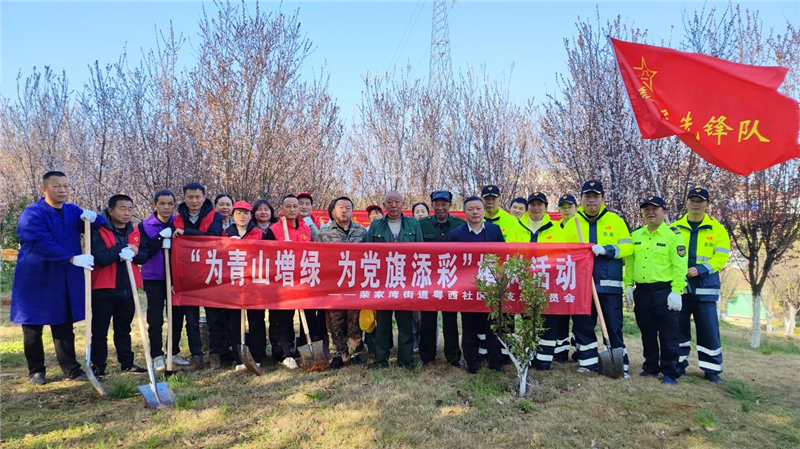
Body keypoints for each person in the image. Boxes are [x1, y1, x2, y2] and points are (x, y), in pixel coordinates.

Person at [11, 171, 103, 385]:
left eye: (65, 186)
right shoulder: (32, 214)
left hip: (63, 278)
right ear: (45, 189)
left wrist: (94, 217)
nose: (62, 190)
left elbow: (95, 225)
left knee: (63, 324)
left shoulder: (72, 211)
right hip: (36, 277)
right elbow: (40, 242)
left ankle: (71, 368)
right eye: (56, 186)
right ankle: (36, 370)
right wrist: (71, 258)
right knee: (33, 327)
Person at [562, 180, 633, 376]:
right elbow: (564, 253)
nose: (591, 200)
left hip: (609, 286)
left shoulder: (615, 221)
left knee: (613, 326)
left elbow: (628, 248)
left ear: (603, 198)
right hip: (583, 286)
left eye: (595, 196)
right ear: (582, 199)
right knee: (583, 325)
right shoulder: (572, 224)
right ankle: (588, 362)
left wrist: (607, 250)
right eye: (587, 196)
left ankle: (621, 364)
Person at [624, 196, 688, 385]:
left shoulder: (673, 235)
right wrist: (628, 284)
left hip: (665, 291)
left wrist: (677, 290)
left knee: (669, 333)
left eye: (655, 209)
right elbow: (630, 262)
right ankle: (650, 366)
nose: (650, 212)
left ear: (664, 212)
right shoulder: (636, 236)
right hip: (642, 291)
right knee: (647, 331)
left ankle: (670, 372)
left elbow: (680, 266)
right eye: (646, 209)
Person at [138, 189, 201, 372]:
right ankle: (157, 355)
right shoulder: (145, 225)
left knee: (175, 317)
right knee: (155, 318)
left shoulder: (178, 223)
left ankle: (172, 352)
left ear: (174, 206)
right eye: (162, 204)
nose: (166, 207)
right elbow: (144, 252)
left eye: (169, 204)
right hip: (154, 278)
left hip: (177, 278)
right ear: (154, 205)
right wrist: (160, 239)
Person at [673, 186, 731, 384]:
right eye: (692, 200)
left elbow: (721, 257)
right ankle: (678, 364)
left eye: (700, 200)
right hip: (680, 288)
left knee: (708, 330)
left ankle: (712, 370)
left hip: (706, 289)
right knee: (678, 329)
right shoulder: (675, 228)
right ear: (686, 202)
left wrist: (701, 269)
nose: (696, 203)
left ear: (707, 204)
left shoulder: (718, 229)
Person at [90, 194, 150, 376]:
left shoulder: (134, 231)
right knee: (100, 330)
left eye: (130, 209)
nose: (126, 213)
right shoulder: (99, 231)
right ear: (111, 211)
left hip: (127, 287)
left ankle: (127, 362)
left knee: (124, 328)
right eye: (122, 208)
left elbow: (143, 256)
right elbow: (101, 258)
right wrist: (119, 249)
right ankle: (98, 365)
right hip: (104, 288)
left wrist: (136, 252)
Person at [365, 190, 424, 369]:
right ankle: (381, 360)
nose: (393, 205)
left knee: (405, 323)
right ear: (384, 205)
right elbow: (367, 253)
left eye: (397, 202)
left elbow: (421, 251)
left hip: (405, 281)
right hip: (383, 282)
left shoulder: (413, 224)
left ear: (403, 203)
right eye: (389, 202)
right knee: (383, 323)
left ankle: (406, 360)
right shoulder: (376, 226)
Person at [448, 196, 505, 374]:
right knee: (469, 326)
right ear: (464, 212)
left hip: (490, 289)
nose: (475, 212)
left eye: (478, 209)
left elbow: (503, 257)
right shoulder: (456, 234)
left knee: (492, 326)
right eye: (470, 209)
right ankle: (472, 363)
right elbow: (450, 262)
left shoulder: (494, 231)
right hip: (468, 289)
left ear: (483, 211)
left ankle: (496, 363)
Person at [173, 182, 224, 368]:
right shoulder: (177, 218)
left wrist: (187, 233)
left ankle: (215, 353)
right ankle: (196, 355)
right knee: (191, 319)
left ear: (204, 197)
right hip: (186, 274)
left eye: (197, 197)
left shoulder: (214, 215)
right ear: (184, 198)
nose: (194, 201)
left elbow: (212, 236)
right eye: (190, 197)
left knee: (214, 317)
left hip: (210, 271)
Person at [518, 192, 570, 370]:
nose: (536, 208)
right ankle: (529, 355)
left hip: (549, 282)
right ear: (528, 207)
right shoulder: (517, 227)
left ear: (546, 207)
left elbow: (563, 255)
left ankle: (544, 359)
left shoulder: (555, 229)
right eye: (532, 204)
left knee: (549, 321)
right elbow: (508, 251)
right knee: (528, 319)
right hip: (525, 282)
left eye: (540, 204)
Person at [315, 196, 368, 368]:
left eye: (348, 208)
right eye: (340, 208)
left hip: (355, 284)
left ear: (353, 211)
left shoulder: (361, 232)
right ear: (332, 211)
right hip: (333, 284)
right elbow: (316, 257)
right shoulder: (323, 232)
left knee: (354, 319)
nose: (344, 210)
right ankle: (337, 353)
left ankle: (355, 353)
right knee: (334, 320)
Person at [264, 194, 313, 369]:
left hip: (302, 279)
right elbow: (267, 255)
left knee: (301, 317)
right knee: (281, 318)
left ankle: (297, 348)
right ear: (282, 209)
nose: (292, 210)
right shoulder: (274, 230)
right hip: (281, 280)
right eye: (289, 206)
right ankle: (282, 352)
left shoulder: (306, 229)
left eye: (295, 206)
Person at [417, 190, 466, 367]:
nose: (440, 207)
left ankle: (453, 356)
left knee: (450, 319)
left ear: (450, 205)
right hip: (428, 280)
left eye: (444, 204)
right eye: (436, 204)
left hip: (451, 280)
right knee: (428, 319)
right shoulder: (421, 225)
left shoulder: (460, 224)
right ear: (432, 205)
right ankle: (427, 355)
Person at [224, 201, 267, 369]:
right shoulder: (225, 233)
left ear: (251, 216)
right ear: (233, 216)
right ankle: (239, 356)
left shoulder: (259, 233)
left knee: (256, 320)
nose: (242, 216)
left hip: (255, 284)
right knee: (234, 321)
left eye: (246, 213)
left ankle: (257, 355)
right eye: (239, 213)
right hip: (233, 284)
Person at [296, 192, 327, 349]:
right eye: (300, 203)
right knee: (303, 309)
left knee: (318, 309)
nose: (303, 206)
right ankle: (302, 344)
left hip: (315, 272)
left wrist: (311, 225)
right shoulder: (288, 223)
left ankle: (320, 343)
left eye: (307, 204)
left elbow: (322, 242)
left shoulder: (318, 225)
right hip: (295, 272)